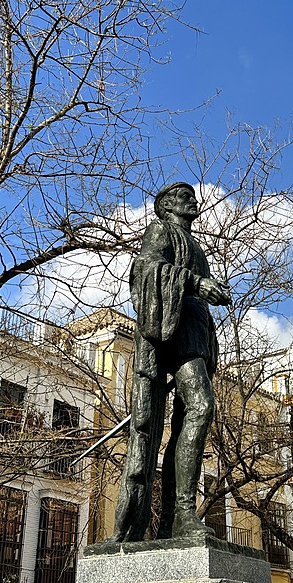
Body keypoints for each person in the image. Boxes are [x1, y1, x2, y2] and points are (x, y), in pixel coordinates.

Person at [109, 181, 232, 542]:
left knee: (188, 417)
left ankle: (173, 521)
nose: (192, 201)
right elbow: (147, 269)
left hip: (195, 331)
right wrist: (195, 282)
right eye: (183, 197)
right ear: (165, 206)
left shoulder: (195, 245)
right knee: (201, 405)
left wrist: (206, 290)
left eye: (192, 196)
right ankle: (180, 511)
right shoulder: (160, 230)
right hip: (172, 330)